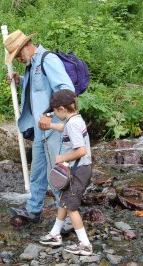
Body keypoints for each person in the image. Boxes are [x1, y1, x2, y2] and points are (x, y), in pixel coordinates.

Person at [3, 29, 75, 232]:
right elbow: (39, 90)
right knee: (37, 173)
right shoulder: (31, 66)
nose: (17, 60)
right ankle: (33, 210)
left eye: (18, 55)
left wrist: (50, 115)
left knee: (58, 175)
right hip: (39, 130)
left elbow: (66, 90)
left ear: (27, 46)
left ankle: (69, 218)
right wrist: (20, 81)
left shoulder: (47, 59)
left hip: (54, 130)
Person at [37, 89, 93, 255]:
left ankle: (85, 244)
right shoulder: (74, 119)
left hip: (79, 170)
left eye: (54, 111)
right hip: (79, 169)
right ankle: (55, 234)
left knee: (71, 206)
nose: (53, 113)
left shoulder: (73, 124)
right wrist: (50, 125)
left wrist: (62, 158)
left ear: (62, 109)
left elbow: (81, 150)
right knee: (64, 200)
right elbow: (65, 127)